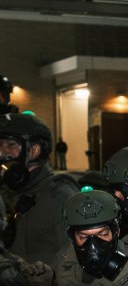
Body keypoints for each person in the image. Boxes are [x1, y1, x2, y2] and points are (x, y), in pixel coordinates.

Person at [0, 112, 77, 266]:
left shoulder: (61, 197)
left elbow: (76, 266)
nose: (2, 153)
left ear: (34, 150)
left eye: (11, 145)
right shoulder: (6, 191)